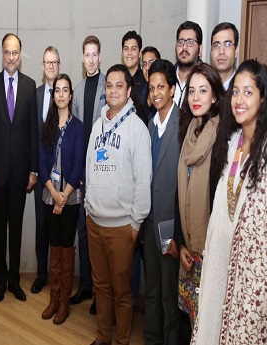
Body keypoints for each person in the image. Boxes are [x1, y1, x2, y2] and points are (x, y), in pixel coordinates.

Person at [192, 60, 267, 344]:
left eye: (248, 92)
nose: (239, 100)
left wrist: (258, 282)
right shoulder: (232, 142)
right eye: (235, 92)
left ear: (263, 98)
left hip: (250, 287)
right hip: (218, 268)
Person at [85, 64, 152, 345]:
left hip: (122, 226)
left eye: (119, 86)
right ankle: (103, 337)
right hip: (94, 221)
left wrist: (135, 223)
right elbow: (90, 166)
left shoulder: (137, 129)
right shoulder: (98, 125)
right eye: (109, 85)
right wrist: (88, 205)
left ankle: (122, 340)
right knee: (101, 286)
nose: (113, 90)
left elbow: (143, 178)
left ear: (129, 90)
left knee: (122, 292)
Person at [0, 33, 38, 303]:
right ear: (2, 53)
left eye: (15, 52)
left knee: (15, 230)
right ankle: (0, 281)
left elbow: (32, 133)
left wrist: (33, 170)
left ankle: (15, 281)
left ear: (20, 54)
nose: (11, 57)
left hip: (19, 174)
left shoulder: (30, 86)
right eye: (7, 52)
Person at [176, 63, 224, 327]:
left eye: (202, 91)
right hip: (189, 252)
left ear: (214, 96)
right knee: (191, 324)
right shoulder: (187, 133)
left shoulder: (223, 139)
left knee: (209, 325)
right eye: (191, 91)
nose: (195, 98)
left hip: (212, 253)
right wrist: (182, 243)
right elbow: (179, 195)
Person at [39, 74, 84, 325]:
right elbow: (42, 165)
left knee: (67, 248)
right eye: (57, 90)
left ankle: (64, 302)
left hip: (71, 197)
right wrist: (54, 195)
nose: (61, 95)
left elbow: (78, 166)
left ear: (70, 95)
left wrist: (64, 196)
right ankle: (53, 298)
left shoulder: (77, 128)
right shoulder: (46, 127)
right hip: (49, 195)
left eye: (65, 90)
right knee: (53, 247)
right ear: (53, 95)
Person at [143, 59, 181, 345]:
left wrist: (179, 234)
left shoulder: (183, 125)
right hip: (149, 222)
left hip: (169, 225)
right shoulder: (149, 124)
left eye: (161, 87)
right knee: (152, 291)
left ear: (171, 89)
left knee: (170, 295)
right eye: (152, 87)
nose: (156, 92)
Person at [70, 35, 107, 314]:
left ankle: (100, 291)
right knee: (83, 231)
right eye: (87, 55)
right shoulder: (78, 89)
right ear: (83, 57)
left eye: (95, 54)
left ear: (100, 57)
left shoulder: (112, 86)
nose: (91, 59)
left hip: (104, 170)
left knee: (101, 234)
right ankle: (85, 286)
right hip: (83, 171)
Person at [32, 45, 61, 294]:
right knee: (41, 227)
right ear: (42, 66)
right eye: (47, 62)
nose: (51, 66)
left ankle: (59, 277)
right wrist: (34, 170)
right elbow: (32, 136)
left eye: (55, 62)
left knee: (58, 230)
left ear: (59, 66)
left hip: (62, 178)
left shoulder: (65, 95)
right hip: (41, 175)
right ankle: (42, 274)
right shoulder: (36, 94)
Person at [174, 21, 203, 106]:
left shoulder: (207, 79)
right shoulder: (167, 77)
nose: (184, 47)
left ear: (200, 49)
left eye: (190, 42)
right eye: (181, 42)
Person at [210, 22, 239, 90]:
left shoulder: (242, 88)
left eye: (227, 44)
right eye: (216, 45)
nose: (221, 51)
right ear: (211, 52)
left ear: (236, 51)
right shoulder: (204, 87)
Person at [140, 46, 161, 123]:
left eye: (151, 63)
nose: (147, 68)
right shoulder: (141, 92)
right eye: (144, 64)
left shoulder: (164, 93)